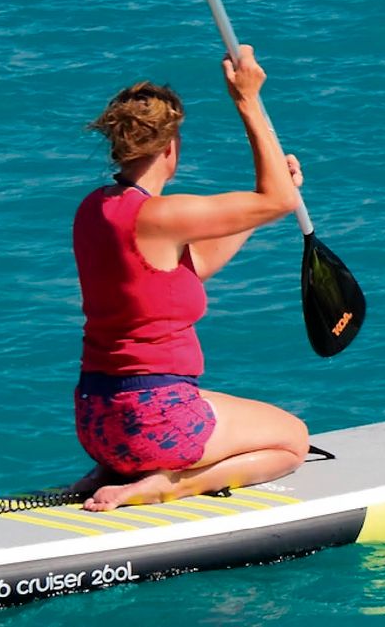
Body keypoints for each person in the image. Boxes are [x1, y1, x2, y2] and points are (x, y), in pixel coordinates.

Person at [71, 48, 315, 511]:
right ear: (170, 148)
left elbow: (193, 265)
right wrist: (247, 99)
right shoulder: (162, 214)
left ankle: (116, 470)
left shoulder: (94, 210)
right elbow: (279, 200)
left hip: (97, 422)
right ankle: (171, 485)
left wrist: (260, 209)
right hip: (153, 425)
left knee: (198, 400)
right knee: (292, 440)